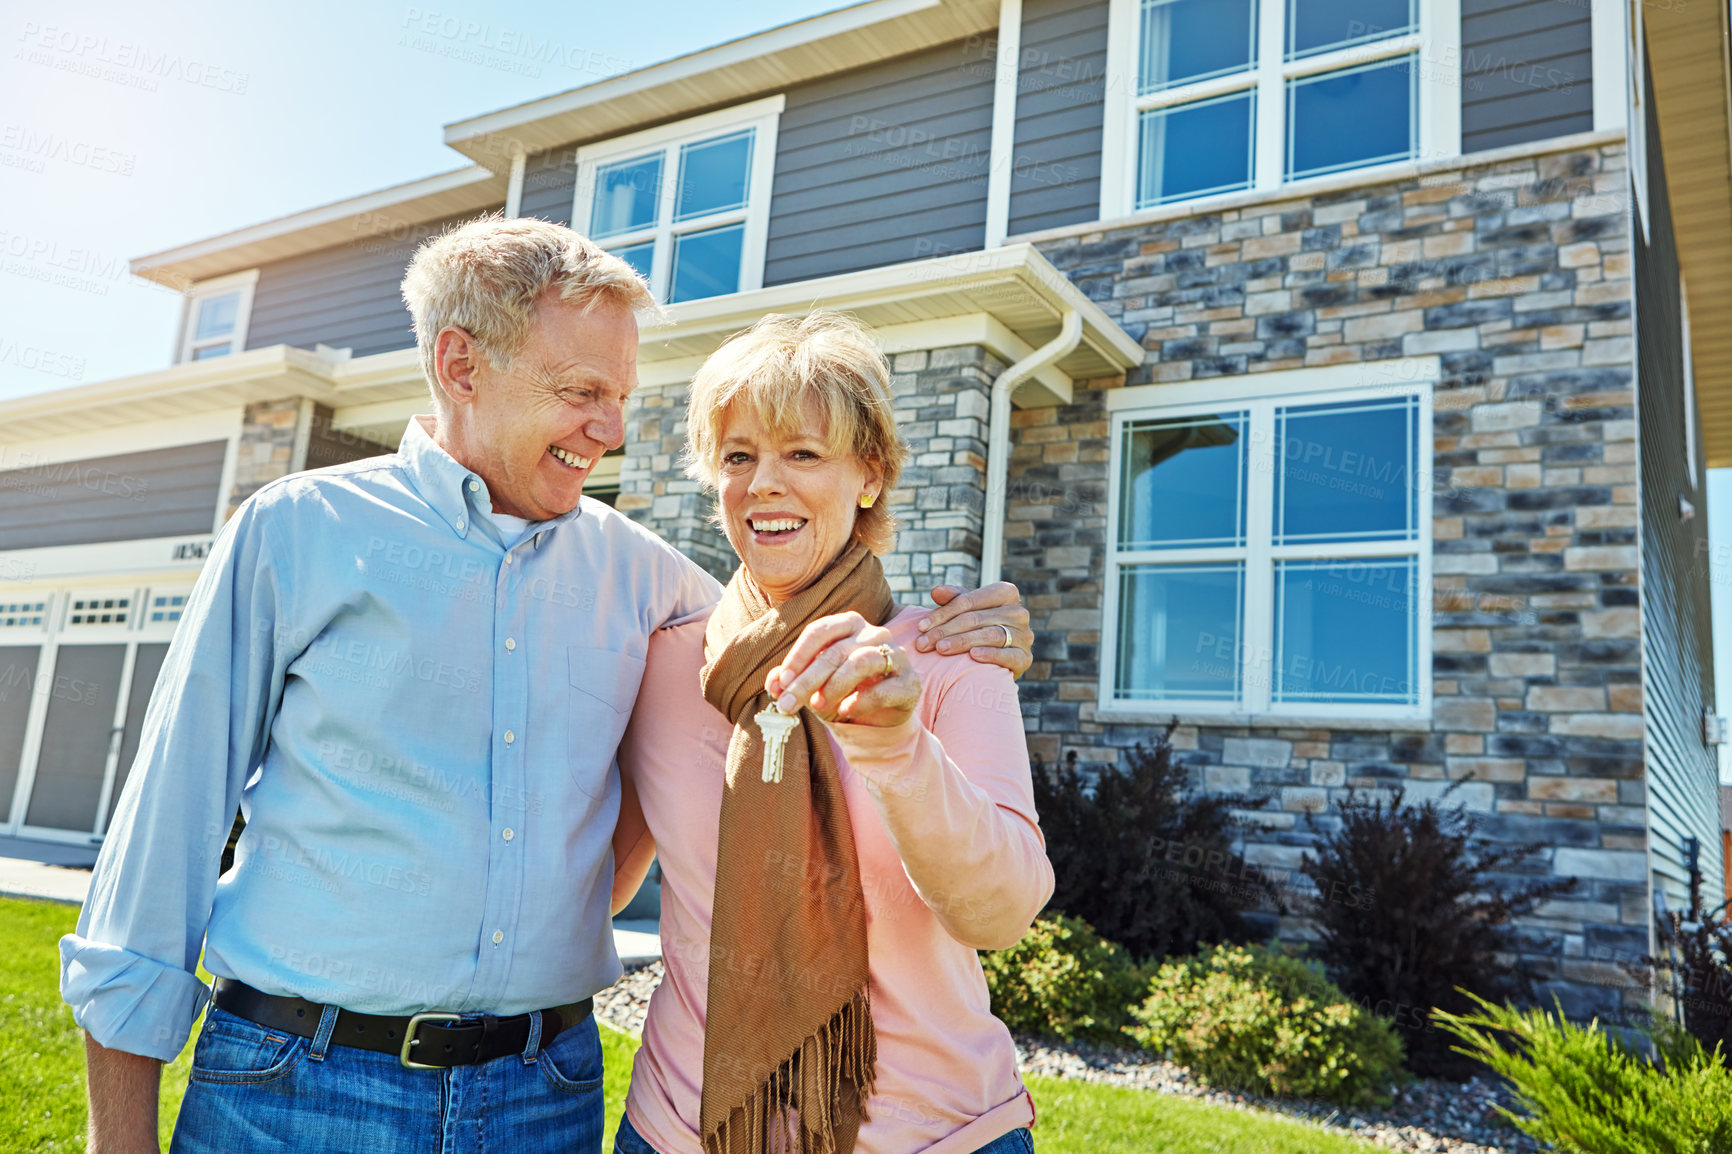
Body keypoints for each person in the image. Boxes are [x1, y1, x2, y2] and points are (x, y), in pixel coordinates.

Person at [59, 218, 1033, 1154]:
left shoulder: (647, 582)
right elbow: (161, 841)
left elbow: (788, 609)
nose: (609, 430)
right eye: (580, 390)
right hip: (299, 1086)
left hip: (541, 1096)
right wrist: (118, 1134)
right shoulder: (297, 532)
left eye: (619, 394)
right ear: (459, 365)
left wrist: (974, 632)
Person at [611, 313, 1054, 1154]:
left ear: (869, 476)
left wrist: (894, 748)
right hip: (680, 1127)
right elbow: (601, 876)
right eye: (739, 457)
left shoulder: (953, 659)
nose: (763, 485)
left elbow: (1001, 911)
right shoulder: (668, 661)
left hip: (928, 1135)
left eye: (803, 454)